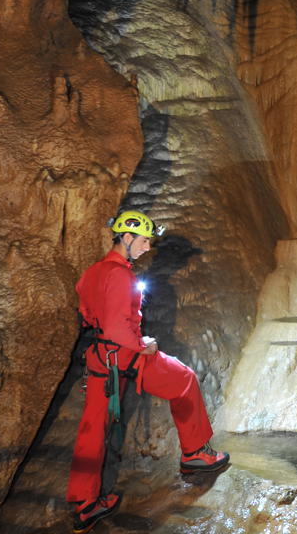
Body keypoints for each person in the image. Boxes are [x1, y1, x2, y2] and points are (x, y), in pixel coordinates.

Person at [66, 210, 229, 533]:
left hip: (100, 358)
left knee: (92, 428)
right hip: (129, 356)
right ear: (126, 238)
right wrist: (143, 345)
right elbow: (117, 326)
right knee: (184, 379)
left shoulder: (92, 272)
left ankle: (86, 505)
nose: (146, 247)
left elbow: (87, 311)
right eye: (142, 241)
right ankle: (195, 453)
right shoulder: (121, 275)